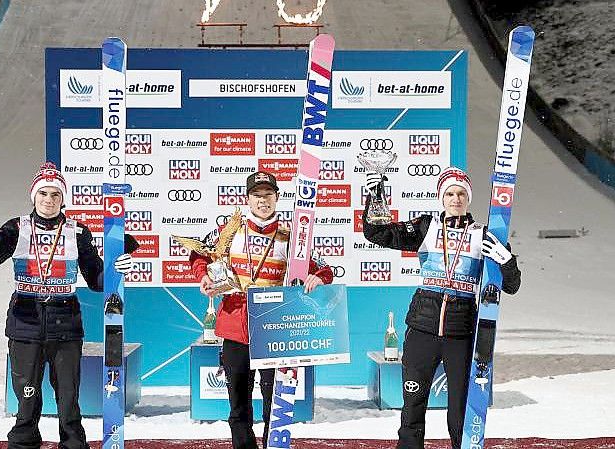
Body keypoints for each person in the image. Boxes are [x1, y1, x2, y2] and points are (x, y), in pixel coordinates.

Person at [0, 162, 136, 449]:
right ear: (34, 196)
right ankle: (24, 443)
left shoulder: (78, 233)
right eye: (43, 194)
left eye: (55, 195)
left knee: (69, 398)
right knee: (27, 396)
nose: (49, 200)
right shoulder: (16, 228)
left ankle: (72, 444)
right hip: (26, 321)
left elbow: (96, 281)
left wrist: (115, 268)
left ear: (63, 198)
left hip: (65, 323)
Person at [362, 166, 521, 449]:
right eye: (450, 193)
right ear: (441, 197)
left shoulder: (483, 234)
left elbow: (511, 285)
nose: (455, 198)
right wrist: (375, 195)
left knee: (459, 408)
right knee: (412, 405)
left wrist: (507, 261)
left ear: (468, 198)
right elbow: (376, 233)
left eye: (461, 194)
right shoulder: (426, 227)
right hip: (422, 328)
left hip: (460, 334)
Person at [190, 171, 334, 449]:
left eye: (268, 195)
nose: (263, 201)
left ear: (277, 198)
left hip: (274, 330)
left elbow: (324, 268)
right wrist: (203, 276)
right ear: (248, 199)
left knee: (276, 407)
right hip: (235, 326)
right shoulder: (229, 230)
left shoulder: (291, 236)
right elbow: (198, 253)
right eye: (257, 195)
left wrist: (319, 277)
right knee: (238, 406)